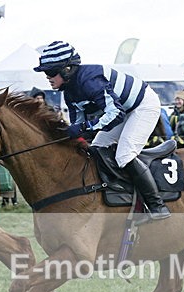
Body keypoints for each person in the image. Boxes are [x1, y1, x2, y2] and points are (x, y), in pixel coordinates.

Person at [34, 40, 170, 220]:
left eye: (51, 72)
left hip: (142, 106)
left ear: (67, 70)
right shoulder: (69, 92)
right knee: (96, 148)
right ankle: (119, 196)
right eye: (45, 73)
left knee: (125, 155)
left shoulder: (89, 81)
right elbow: (78, 127)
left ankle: (157, 206)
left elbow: (116, 114)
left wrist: (84, 128)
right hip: (125, 110)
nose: (47, 77)